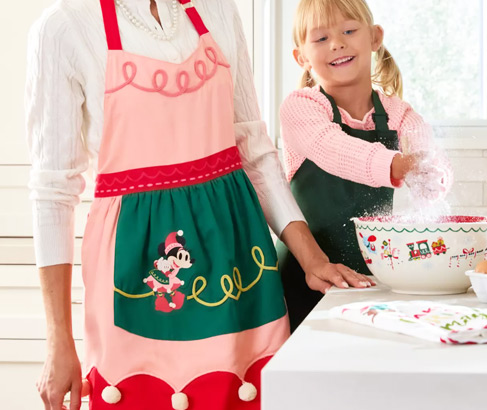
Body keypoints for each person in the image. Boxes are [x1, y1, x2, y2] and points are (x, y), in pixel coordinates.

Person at [25, 0, 374, 408]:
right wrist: (58, 341)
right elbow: (52, 191)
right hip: (138, 270)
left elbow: (254, 149)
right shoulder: (65, 26)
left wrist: (312, 259)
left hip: (236, 257)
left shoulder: (218, 10)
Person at [277, 0, 452, 331]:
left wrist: (434, 176)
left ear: (374, 38)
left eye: (348, 31)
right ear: (301, 57)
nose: (337, 43)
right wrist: (398, 165)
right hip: (303, 276)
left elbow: (432, 169)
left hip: (370, 279)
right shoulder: (301, 108)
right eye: (321, 38)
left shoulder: (401, 115)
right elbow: (333, 149)